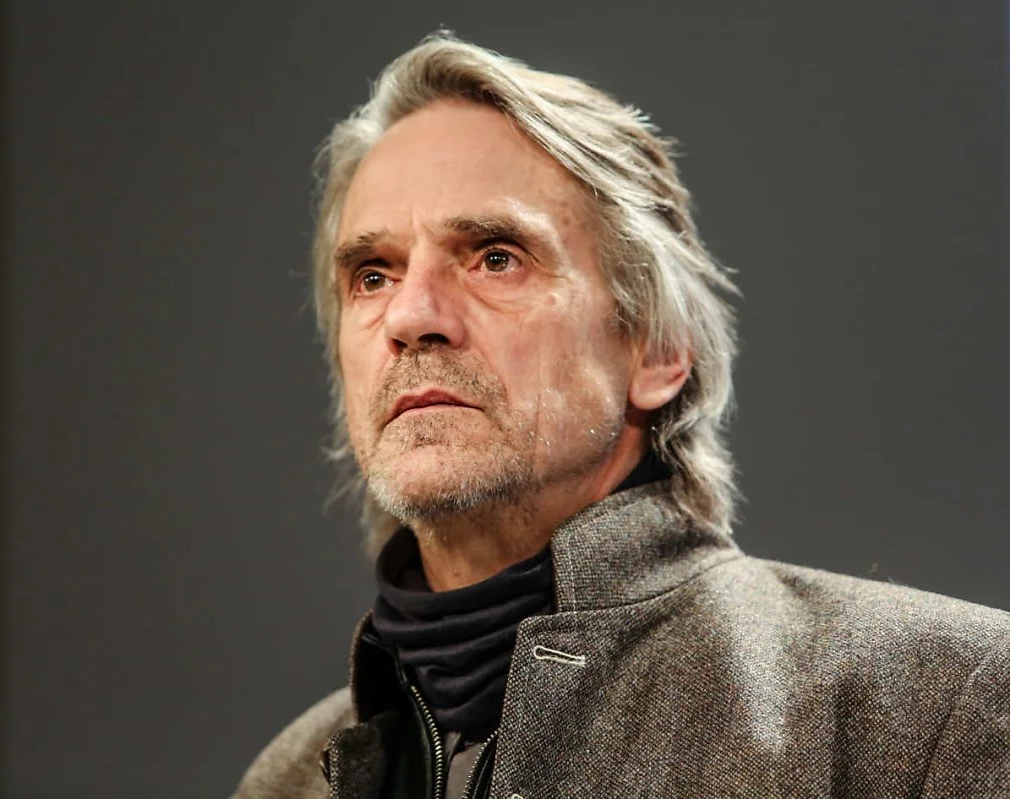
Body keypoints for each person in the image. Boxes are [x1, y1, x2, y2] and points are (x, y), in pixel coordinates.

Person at [233, 33, 1010, 798]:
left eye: (496, 257)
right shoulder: (287, 779)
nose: (411, 316)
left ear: (658, 348)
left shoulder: (938, 708)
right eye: (372, 275)